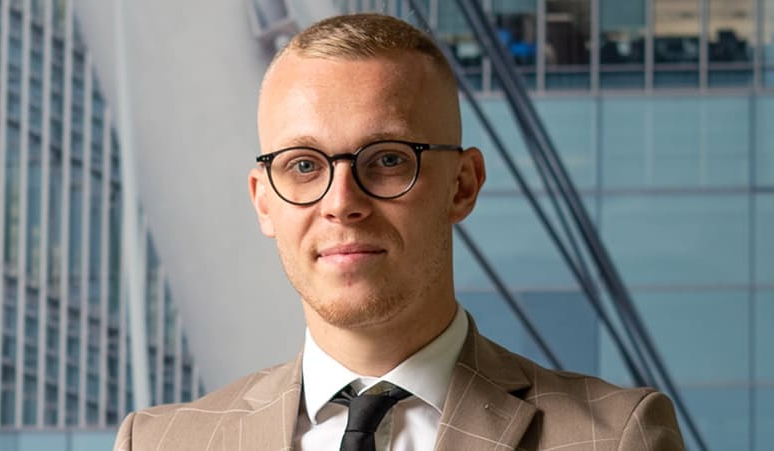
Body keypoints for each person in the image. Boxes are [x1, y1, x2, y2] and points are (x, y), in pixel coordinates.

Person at [113, 13, 686, 451]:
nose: (342, 203)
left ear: (463, 185)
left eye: (387, 160)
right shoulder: (160, 442)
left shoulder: (613, 437)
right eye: (305, 166)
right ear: (264, 203)